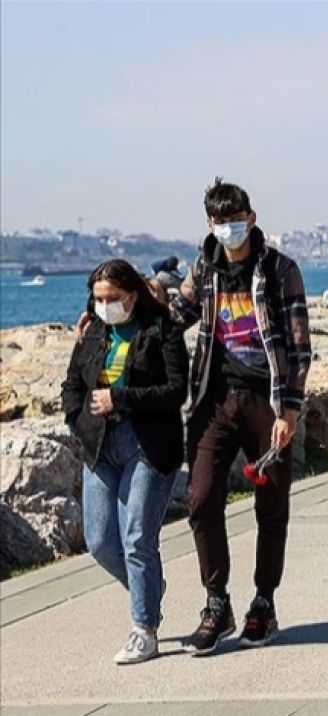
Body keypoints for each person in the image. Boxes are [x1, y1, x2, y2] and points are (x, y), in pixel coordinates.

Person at [170, 178, 310, 655]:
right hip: (215, 398)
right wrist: (111, 313)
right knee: (201, 496)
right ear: (210, 223)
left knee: (270, 504)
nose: (229, 228)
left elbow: (298, 345)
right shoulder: (204, 268)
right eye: (220, 221)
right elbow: (176, 315)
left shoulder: (279, 269)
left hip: (267, 402)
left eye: (237, 219)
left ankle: (263, 603)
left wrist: (289, 410)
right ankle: (216, 603)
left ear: (251, 217)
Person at [61, 260, 189, 665]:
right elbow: (72, 385)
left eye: (112, 299)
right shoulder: (94, 332)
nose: (104, 305)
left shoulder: (162, 331)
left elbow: (175, 391)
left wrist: (121, 398)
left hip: (147, 445)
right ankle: (149, 588)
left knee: (137, 539)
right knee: (99, 542)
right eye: (99, 299)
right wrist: (77, 421)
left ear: (132, 295)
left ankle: (144, 629)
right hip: (100, 445)